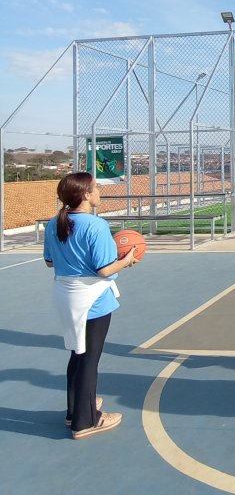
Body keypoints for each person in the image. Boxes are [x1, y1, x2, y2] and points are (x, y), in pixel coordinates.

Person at [43, 172, 137, 439]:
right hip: (93, 298)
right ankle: (86, 421)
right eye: (96, 188)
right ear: (85, 194)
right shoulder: (95, 226)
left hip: (64, 294)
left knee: (77, 353)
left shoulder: (54, 223)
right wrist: (127, 260)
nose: (99, 192)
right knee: (89, 360)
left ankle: (75, 409)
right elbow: (105, 270)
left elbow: (50, 261)